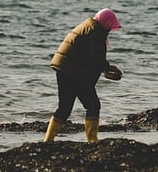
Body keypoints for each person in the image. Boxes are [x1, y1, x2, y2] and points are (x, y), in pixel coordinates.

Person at [44, 8, 122, 143]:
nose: (110, 30)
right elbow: (96, 58)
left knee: (64, 108)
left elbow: (89, 57)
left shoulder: (88, 26)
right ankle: (92, 140)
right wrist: (108, 68)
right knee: (93, 105)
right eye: (110, 27)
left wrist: (104, 68)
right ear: (106, 23)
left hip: (64, 68)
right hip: (73, 72)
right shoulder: (96, 31)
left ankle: (48, 141)